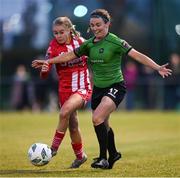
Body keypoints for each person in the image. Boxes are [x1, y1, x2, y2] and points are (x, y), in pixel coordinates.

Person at [32, 9, 172, 169]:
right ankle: (112, 154)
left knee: (96, 118)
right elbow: (69, 56)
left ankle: (101, 158)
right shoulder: (89, 44)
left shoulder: (116, 41)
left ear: (107, 24)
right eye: (92, 25)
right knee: (103, 124)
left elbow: (137, 55)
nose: (95, 28)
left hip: (115, 87)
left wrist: (157, 67)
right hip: (98, 89)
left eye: (98, 24)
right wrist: (49, 62)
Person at [33, 16, 92, 168]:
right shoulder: (52, 46)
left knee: (64, 112)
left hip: (82, 87)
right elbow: (44, 74)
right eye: (55, 33)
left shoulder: (81, 42)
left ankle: (53, 149)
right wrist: (45, 70)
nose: (58, 36)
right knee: (73, 125)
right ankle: (80, 156)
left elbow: (95, 58)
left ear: (69, 30)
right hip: (64, 90)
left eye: (61, 32)